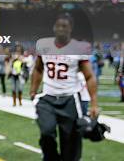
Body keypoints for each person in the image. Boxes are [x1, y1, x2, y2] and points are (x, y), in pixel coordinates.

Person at [29, 12, 98, 161]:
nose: (61, 29)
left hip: (70, 99)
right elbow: (38, 68)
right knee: (46, 131)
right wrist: (33, 89)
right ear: (54, 27)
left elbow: (89, 76)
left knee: (70, 142)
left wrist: (94, 103)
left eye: (65, 26)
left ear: (70, 28)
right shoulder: (43, 45)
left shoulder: (79, 47)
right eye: (58, 25)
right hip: (48, 97)